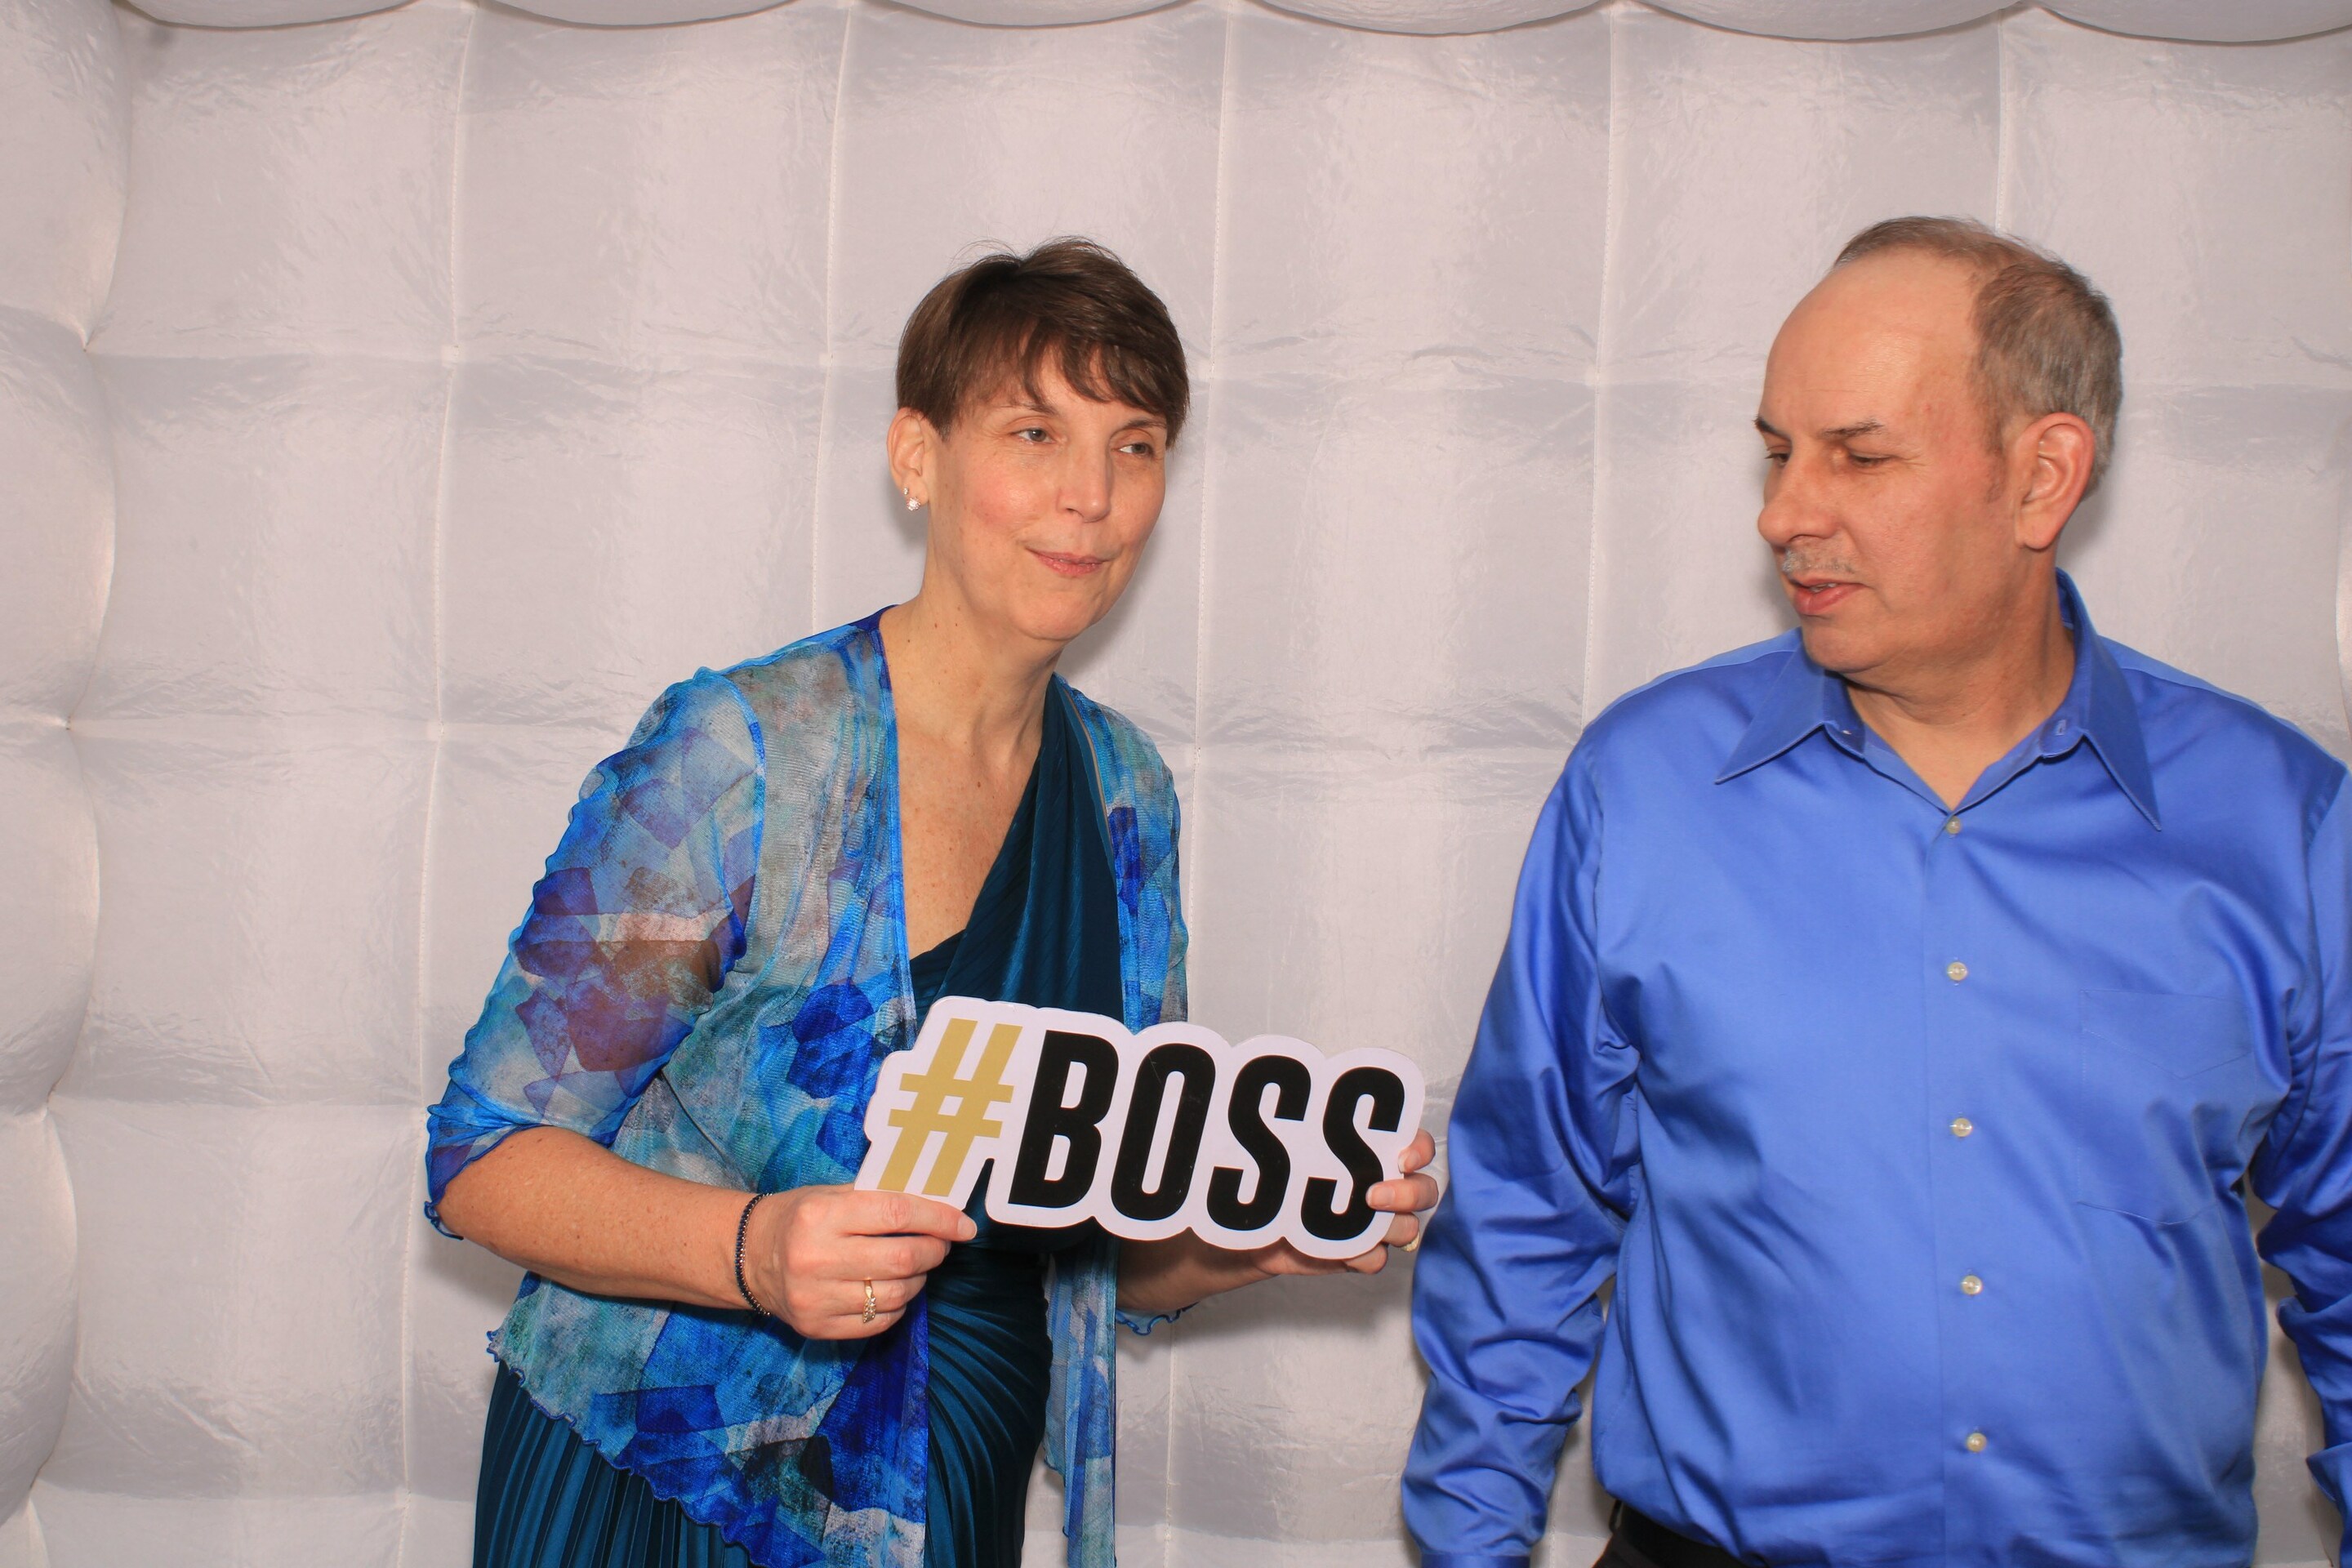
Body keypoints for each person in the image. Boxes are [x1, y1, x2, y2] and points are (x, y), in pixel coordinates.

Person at [426, 238, 1437, 1568]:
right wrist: (751, 1250)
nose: (1090, 496)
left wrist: (1258, 1231)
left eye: (1135, 446)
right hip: (659, 1486)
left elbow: (1093, 1228)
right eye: (1036, 432)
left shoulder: (1127, 795)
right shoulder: (744, 753)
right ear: (919, 456)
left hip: (948, 1483)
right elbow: (484, 1157)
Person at [1403, 215, 2352, 1568]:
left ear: (2042, 478)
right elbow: (1525, 1221)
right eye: (1777, 452)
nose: (1784, 513)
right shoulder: (1645, 788)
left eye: (1859, 454)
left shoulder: (2281, 825)